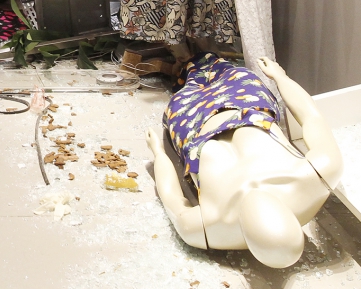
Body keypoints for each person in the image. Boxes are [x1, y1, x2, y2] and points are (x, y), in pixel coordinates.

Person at [146, 55, 344, 268]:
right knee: (216, 62)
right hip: (245, 99)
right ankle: (190, 60)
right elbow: (311, 116)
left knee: (184, 77)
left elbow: (172, 198)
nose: (254, 192)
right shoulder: (318, 173)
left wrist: (159, 154)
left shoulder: (205, 228)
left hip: (191, 122)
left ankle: (180, 67)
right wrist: (280, 76)